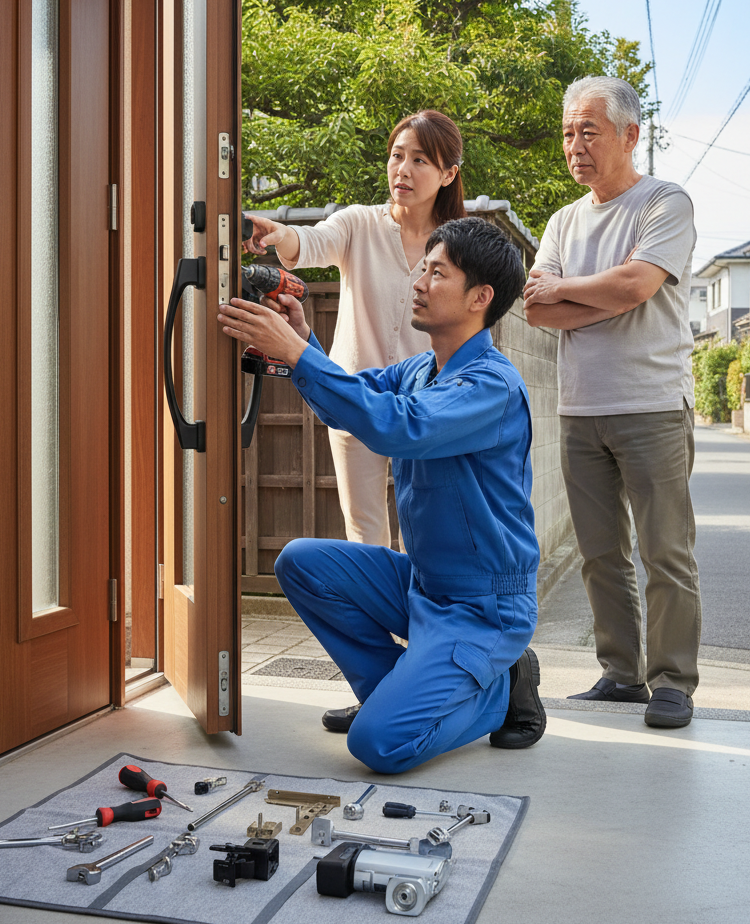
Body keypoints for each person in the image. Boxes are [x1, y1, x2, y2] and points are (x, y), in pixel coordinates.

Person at [219, 217, 545, 773]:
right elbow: (351, 405)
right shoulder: (422, 369)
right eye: (422, 268)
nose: (418, 282)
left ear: (480, 298)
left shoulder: (489, 385)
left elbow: (399, 427)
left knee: (379, 746)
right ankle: (393, 691)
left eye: (437, 273)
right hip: (423, 583)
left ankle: (499, 690)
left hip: (482, 606)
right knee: (302, 562)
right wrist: (304, 344)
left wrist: (298, 356)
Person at [522, 76, 702, 729]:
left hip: (652, 405)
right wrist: (582, 297)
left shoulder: (665, 203)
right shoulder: (563, 221)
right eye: (568, 132)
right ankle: (622, 674)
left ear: (630, 135)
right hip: (579, 408)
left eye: (588, 131)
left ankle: (674, 681)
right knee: (601, 552)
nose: (574, 145)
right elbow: (538, 312)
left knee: (665, 552)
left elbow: (635, 285)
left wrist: (575, 294)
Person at [242, 110, 466, 551]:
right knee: (365, 533)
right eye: (397, 156)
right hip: (355, 398)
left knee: (423, 532)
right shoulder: (360, 222)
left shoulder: (459, 243)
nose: (403, 169)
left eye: (420, 160)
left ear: (448, 173)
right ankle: (377, 621)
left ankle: (416, 621)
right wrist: (279, 232)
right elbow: (309, 242)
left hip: (425, 410)